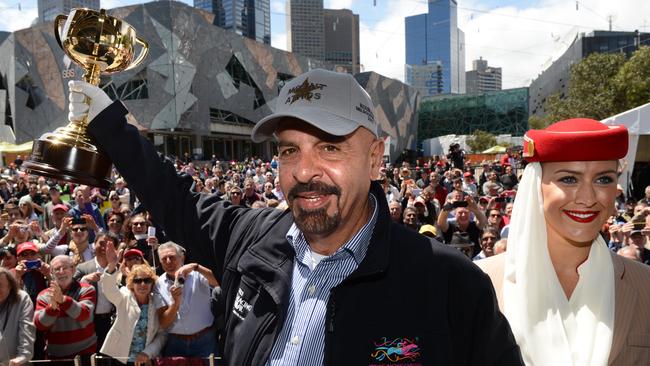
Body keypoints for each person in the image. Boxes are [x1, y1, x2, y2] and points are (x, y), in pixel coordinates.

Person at [72, 68, 522, 365]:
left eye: (329, 146)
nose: (305, 171)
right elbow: (174, 197)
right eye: (290, 150)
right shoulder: (250, 238)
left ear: (375, 159)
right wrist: (109, 124)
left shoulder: (449, 284)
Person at [477, 118, 650, 365]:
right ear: (536, 186)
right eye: (569, 179)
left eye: (604, 179)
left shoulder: (645, 285)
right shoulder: (478, 282)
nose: (588, 197)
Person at [99, 241, 166, 365]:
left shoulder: (157, 301)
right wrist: (112, 264)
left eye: (147, 280)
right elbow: (109, 290)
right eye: (138, 281)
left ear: (152, 283)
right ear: (131, 283)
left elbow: (161, 335)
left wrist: (147, 353)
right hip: (121, 358)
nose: (142, 284)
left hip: (146, 359)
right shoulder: (124, 295)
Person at [155, 242, 219, 357]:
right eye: (164, 259)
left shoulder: (198, 274)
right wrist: (175, 303)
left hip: (204, 341)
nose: (168, 261)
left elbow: (218, 282)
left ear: (182, 257)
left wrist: (196, 267)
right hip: (175, 343)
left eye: (172, 257)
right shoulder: (159, 284)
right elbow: (163, 323)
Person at [34, 255, 97, 364]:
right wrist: (52, 308)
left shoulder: (86, 289)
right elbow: (40, 325)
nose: (61, 272)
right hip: (56, 356)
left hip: (84, 353)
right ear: (51, 273)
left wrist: (63, 300)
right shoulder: (43, 296)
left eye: (65, 268)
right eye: (57, 269)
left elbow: (84, 315)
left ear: (73, 270)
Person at [0, 267, 35, 365]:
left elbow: (26, 329)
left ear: (10, 286)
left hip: (17, 363)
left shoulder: (22, 299)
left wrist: (23, 356)